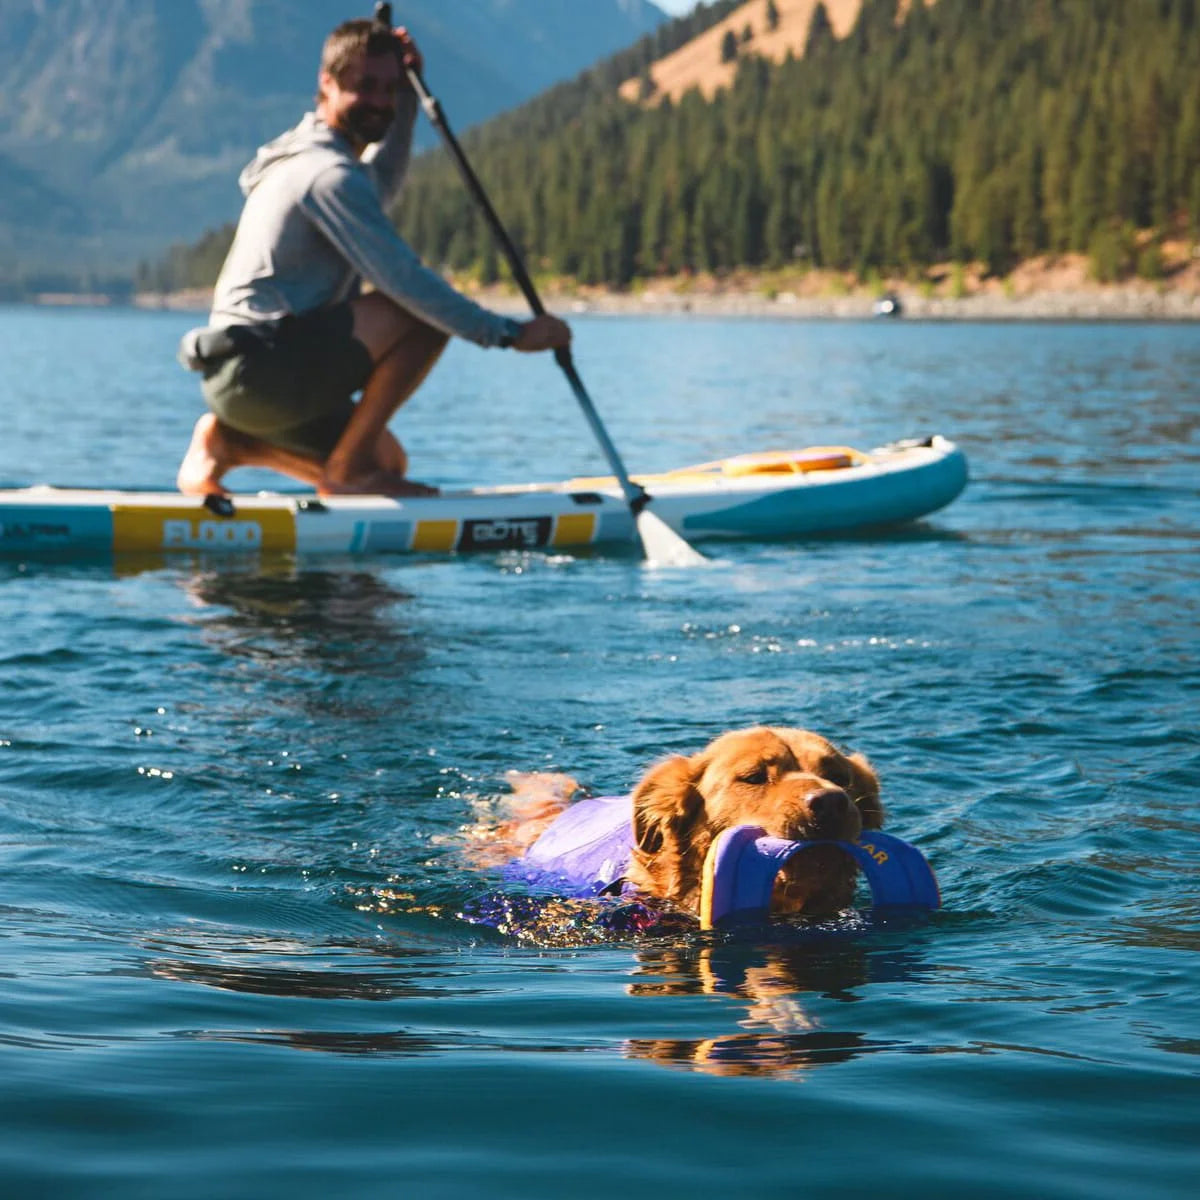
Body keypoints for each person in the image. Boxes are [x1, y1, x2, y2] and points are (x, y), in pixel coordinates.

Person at [176, 18, 571, 498]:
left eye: (389, 89)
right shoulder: (325, 176)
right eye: (365, 86)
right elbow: (404, 280)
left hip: (243, 382)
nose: (380, 101)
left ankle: (228, 445)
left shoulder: (320, 161)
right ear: (326, 83)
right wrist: (510, 334)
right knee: (422, 317)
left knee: (388, 461)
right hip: (259, 370)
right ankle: (346, 475)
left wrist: (407, 98)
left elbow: (379, 183)